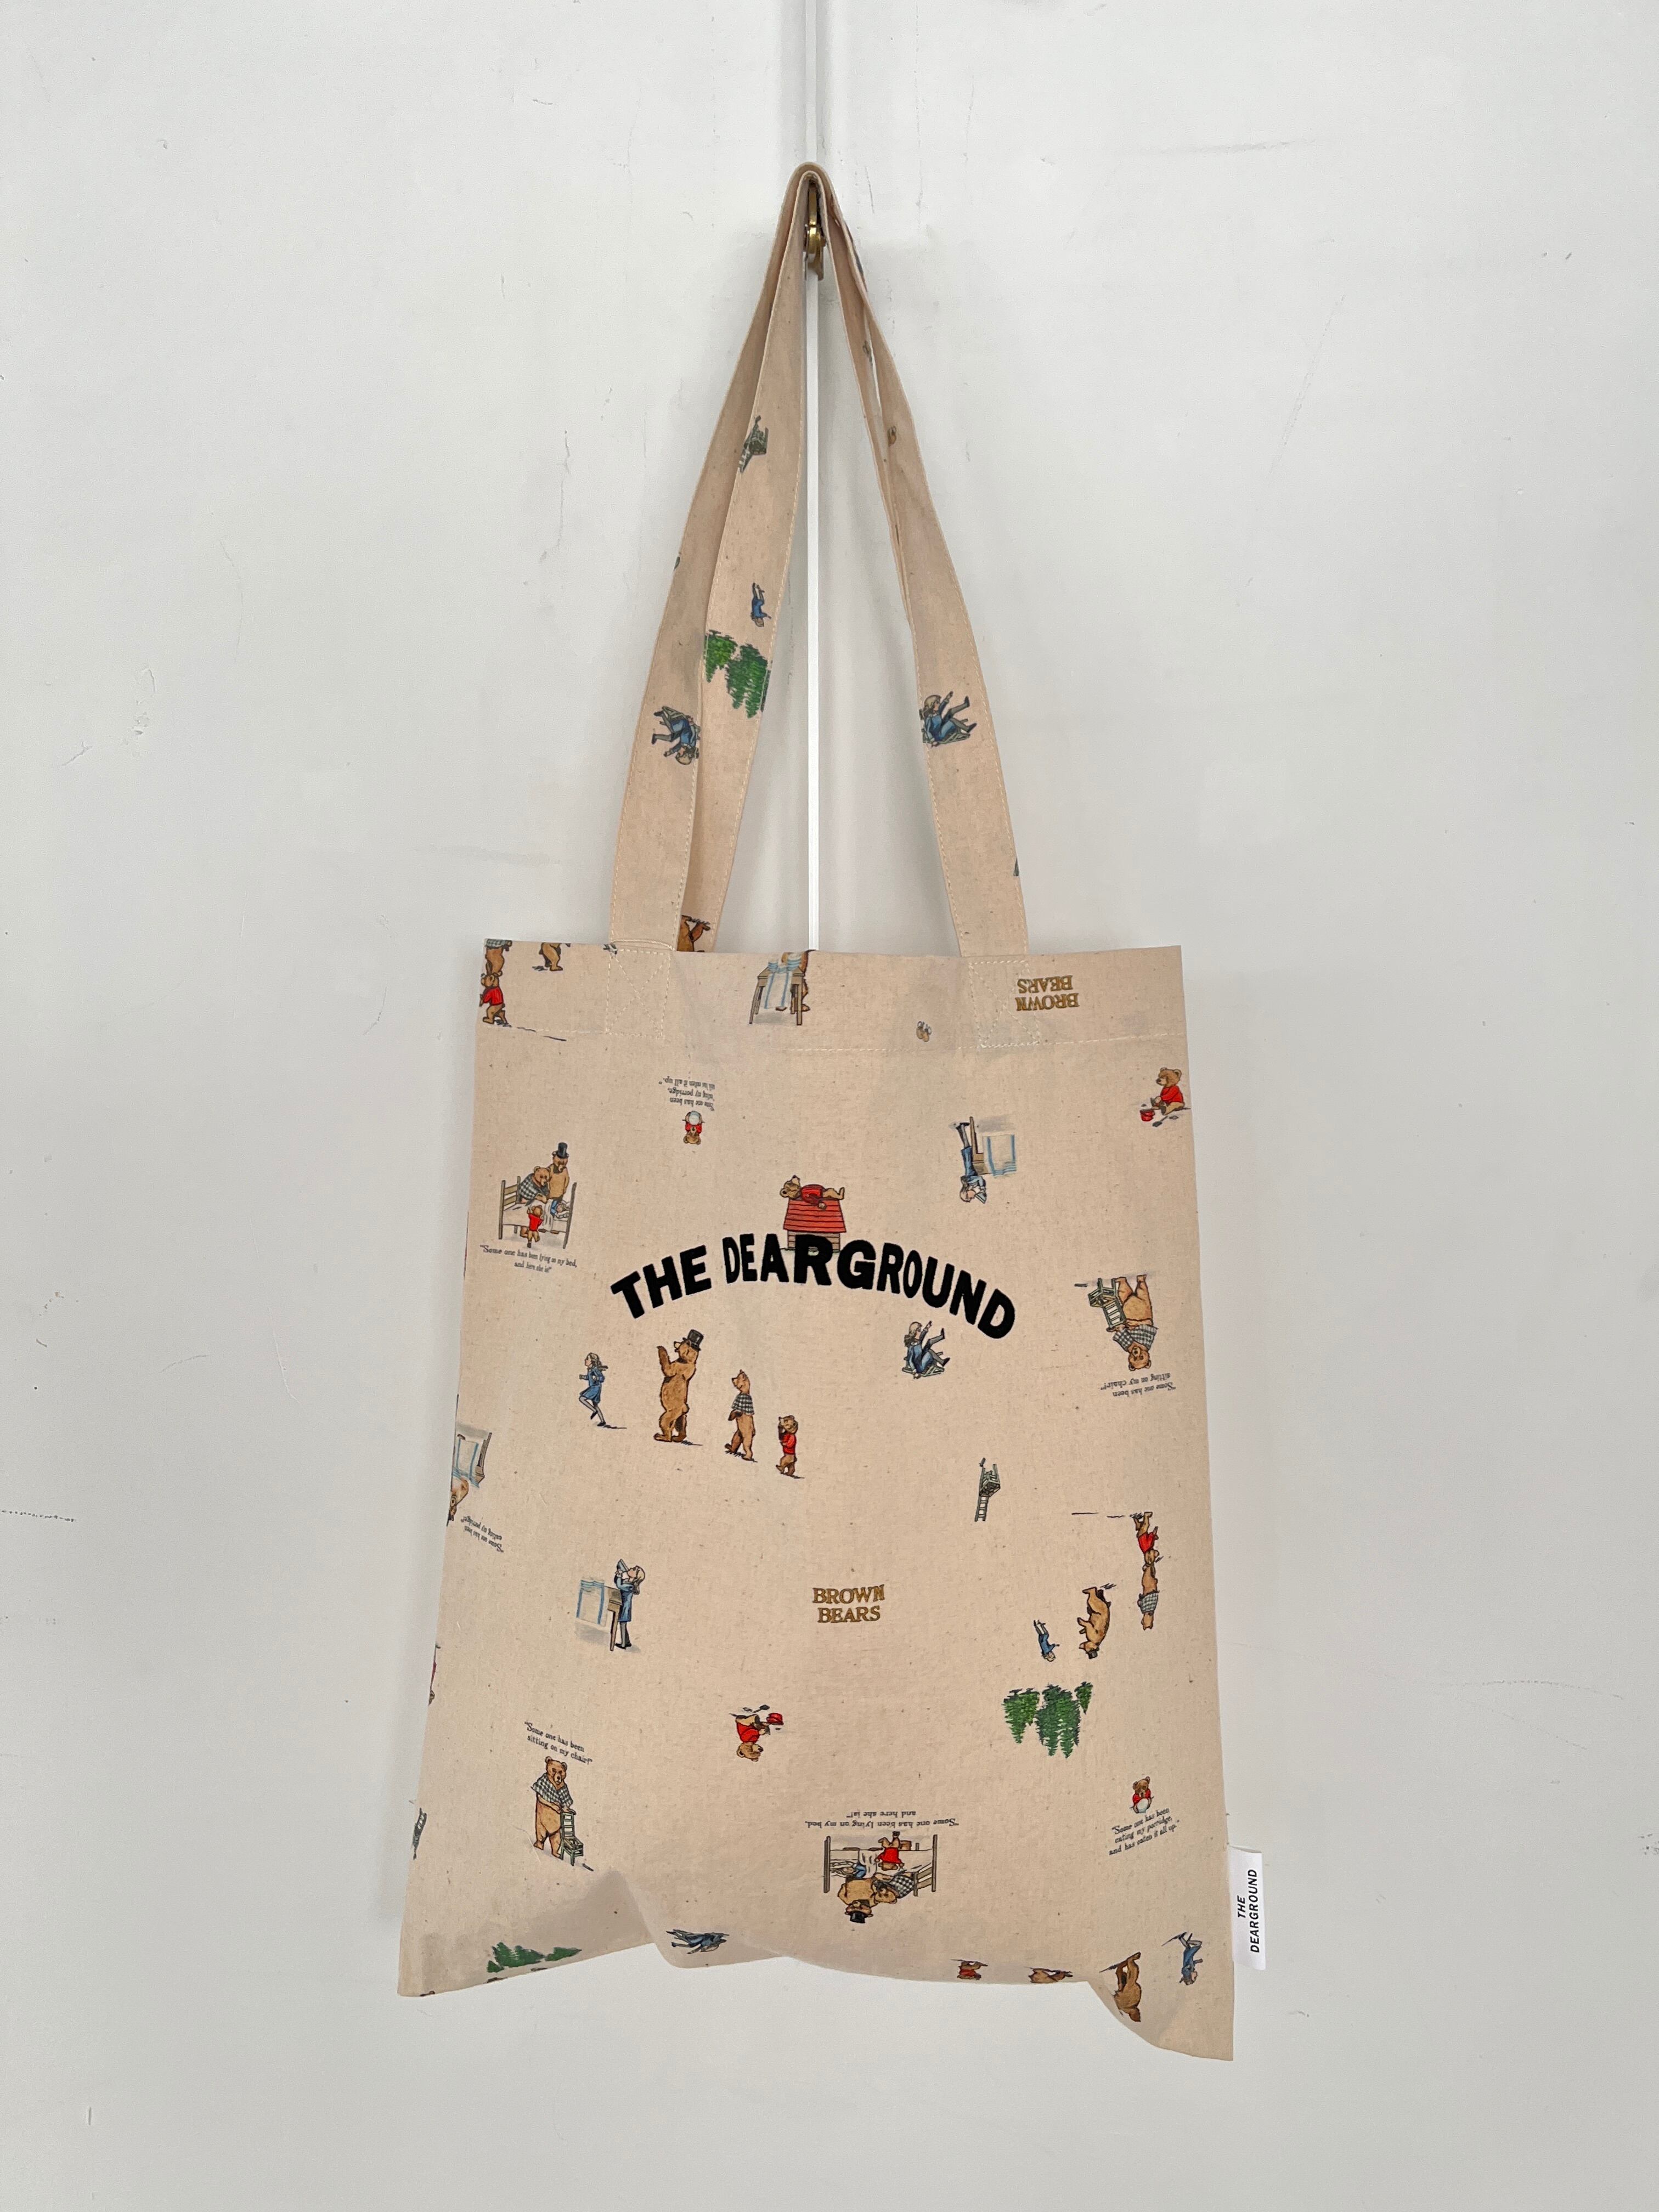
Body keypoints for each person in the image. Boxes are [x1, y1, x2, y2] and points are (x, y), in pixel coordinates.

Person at [610, 1560, 644, 1651]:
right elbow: (617, 1582)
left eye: (634, 1569)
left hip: (625, 1608)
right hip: (623, 1606)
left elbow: (620, 1586)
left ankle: (624, 1644)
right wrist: (618, 1575)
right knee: (623, 1625)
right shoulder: (627, 1581)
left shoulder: (631, 1586)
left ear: (635, 1577)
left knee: (623, 1625)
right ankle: (627, 1641)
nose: (631, 1568)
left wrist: (619, 1576)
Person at [578, 1353, 608, 1425]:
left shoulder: (595, 1369)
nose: (585, 1360)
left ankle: (594, 1411)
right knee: (595, 1405)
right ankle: (603, 1421)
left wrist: (597, 1378)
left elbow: (602, 1378)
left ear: (592, 1361)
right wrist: (583, 1377)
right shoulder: (590, 1369)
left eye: (587, 1359)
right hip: (593, 1387)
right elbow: (589, 1378)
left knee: (582, 1398)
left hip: (595, 1388)